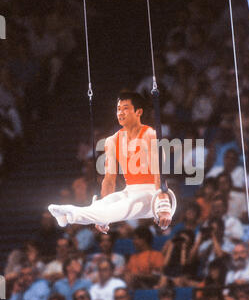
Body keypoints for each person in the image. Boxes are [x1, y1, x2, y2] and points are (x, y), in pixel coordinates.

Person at [48, 92, 173, 232]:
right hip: (130, 190)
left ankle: (71, 212)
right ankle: (67, 216)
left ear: (138, 112)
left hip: (152, 193)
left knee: (122, 207)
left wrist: (164, 205)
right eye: (118, 109)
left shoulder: (151, 135)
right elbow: (109, 180)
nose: (120, 113)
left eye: (125, 108)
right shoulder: (112, 141)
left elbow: (159, 174)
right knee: (105, 204)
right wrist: (103, 214)